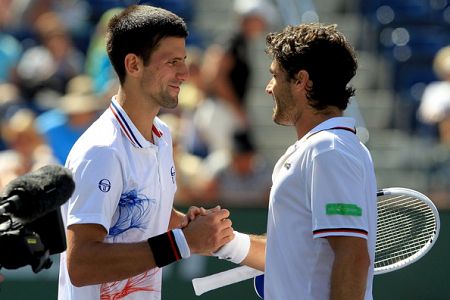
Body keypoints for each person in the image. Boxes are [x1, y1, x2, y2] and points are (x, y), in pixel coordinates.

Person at [57, 5, 234, 300]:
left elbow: (143, 214)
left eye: (184, 60)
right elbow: (81, 264)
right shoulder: (101, 150)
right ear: (134, 65)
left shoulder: (162, 135)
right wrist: (182, 242)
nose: (185, 73)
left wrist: (186, 223)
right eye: (172, 61)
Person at [212, 23, 377, 300]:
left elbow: (352, 256)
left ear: (301, 81)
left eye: (274, 76)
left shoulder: (327, 150)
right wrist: (220, 241)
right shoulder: (321, 148)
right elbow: (288, 253)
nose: (268, 88)